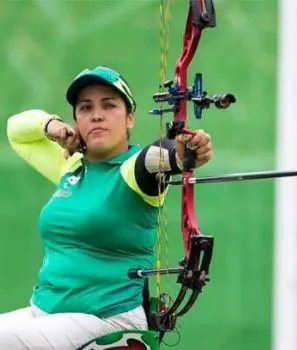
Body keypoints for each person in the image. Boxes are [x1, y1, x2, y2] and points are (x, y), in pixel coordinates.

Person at [1, 66, 213, 349]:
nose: (96, 114)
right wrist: (54, 127)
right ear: (76, 120)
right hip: (46, 313)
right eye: (85, 108)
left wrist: (184, 152)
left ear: (130, 118)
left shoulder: (132, 170)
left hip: (109, 319)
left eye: (109, 105)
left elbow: (158, 157)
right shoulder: (72, 165)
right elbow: (17, 130)